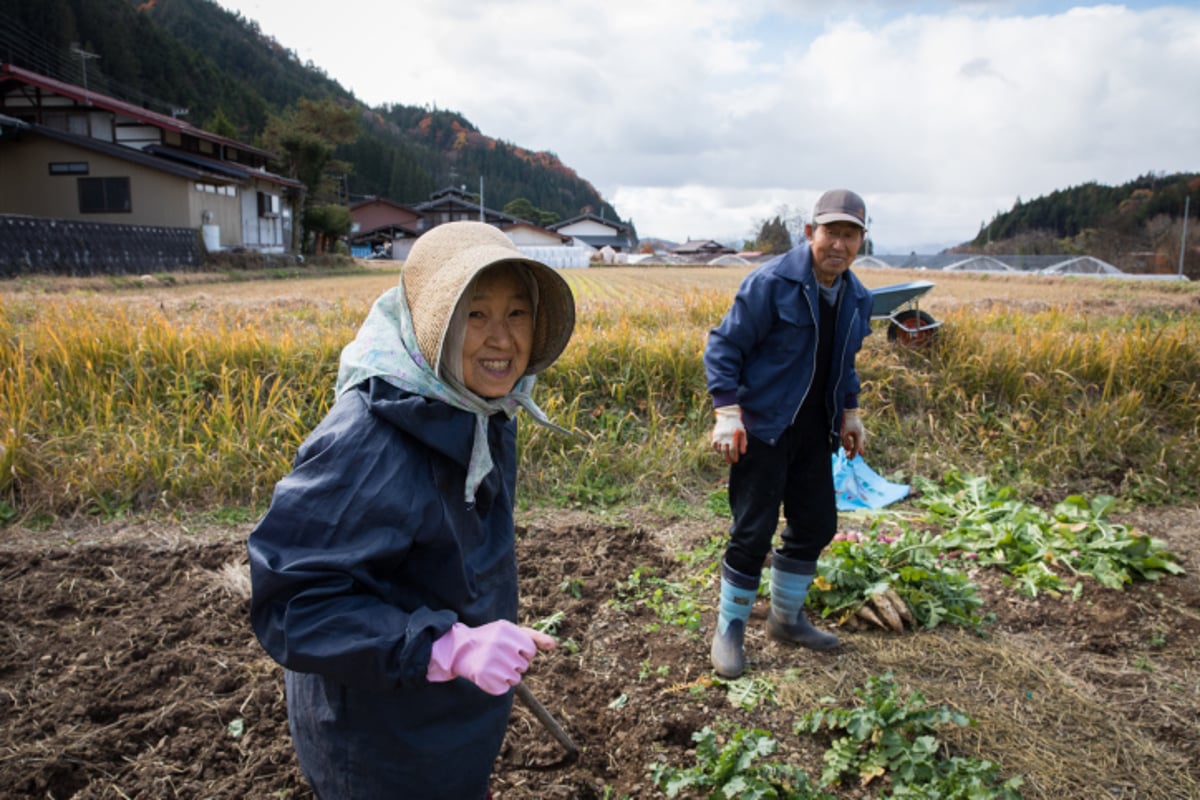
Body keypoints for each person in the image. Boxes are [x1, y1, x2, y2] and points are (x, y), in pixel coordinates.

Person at [247, 221, 576, 799]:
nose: (501, 339)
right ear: (434, 324)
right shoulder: (372, 439)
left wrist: (465, 646)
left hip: (447, 714)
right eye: (475, 315)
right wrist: (446, 647)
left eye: (517, 314)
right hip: (384, 740)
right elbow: (295, 603)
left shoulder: (473, 406)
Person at [703, 189, 875, 679]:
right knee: (752, 532)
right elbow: (723, 346)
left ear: (860, 240)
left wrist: (851, 412)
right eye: (831, 232)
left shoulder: (856, 296)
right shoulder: (772, 282)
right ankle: (730, 630)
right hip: (764, 427)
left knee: (817, 524)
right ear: (809, 233)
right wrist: (727, 410)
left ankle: (785, 619)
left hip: (814, 431)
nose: (839, 244)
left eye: (850, 234)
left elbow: (844, 365)